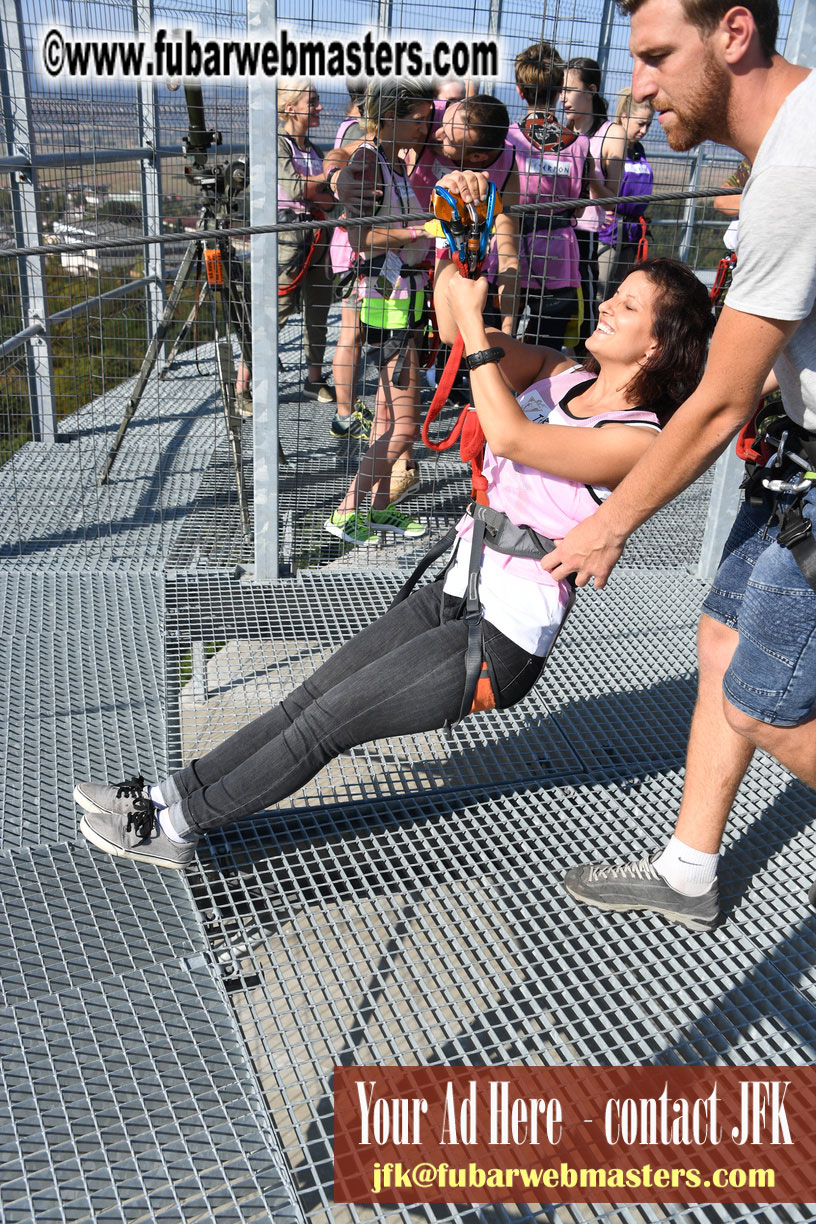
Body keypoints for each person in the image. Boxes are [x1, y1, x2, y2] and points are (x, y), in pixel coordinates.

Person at [73, 174, 714, 872]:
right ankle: (168, 796)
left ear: (656, 348)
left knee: (325, 725)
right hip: (457, 588)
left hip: (501, 636)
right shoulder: (562, 374)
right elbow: (449, 324)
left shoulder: (637, 439)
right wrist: (455, 242)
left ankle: (179, 828)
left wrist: (473, 325)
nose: (609, 307)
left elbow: (511, 437)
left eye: (628, 307)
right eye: (616, 296)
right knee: (310, 694)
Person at [542, 0, 816, 932]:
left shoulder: (800, 165)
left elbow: (721, 401)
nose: (638, 85)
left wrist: (608, 523)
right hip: (799, 452)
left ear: (734, 34)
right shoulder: (783, 150)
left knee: (768, 706)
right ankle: (691, 870)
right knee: (722, 643)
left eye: (658, 56)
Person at [324, 79, 435, 546]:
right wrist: (420, 233)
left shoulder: (391, 161)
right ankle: (348, 512)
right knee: (405, 423)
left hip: (400, 296)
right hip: (386, 301)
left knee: (390, 418)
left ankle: (381, 509)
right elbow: (362, 240)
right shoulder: (369, 160)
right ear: (389, 115)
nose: (425, 127)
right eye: (418, 118)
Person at [507, 42, 592, 349]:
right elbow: (580, 208)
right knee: (549, 345)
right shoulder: (580, 144)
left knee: (502, 336)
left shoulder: (506, 138)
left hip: (510, 247)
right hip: (559, 252)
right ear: (559, 91)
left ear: (519, 90)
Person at [277, 81, 337, 404]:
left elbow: (329, 201)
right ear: (291, 108)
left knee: (318, 311)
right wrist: (326, 181)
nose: (319, 108)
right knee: (278, 309)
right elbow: (296, 188)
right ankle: (245, 383)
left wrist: (318, 190)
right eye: (312, 102)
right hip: (289, 242)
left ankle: (314, 379)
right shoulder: (278, 145)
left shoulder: (312, 150)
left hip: (317, 240)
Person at [561, 58, 627, 352]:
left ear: (591, 90)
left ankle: (586, 372)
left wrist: (588, 173)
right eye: (559, 90)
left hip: (586, 236)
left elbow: (613, 197)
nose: (562, 97)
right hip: (555, 230)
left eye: (569, 89)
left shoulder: (611, 133)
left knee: (585, 311)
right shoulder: (558, 131)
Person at [595, 88, 654, 302]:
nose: (644, 130)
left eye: (648, 124)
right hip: (609, 233)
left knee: (620, 296)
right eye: (640, 124)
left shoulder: (639, 150)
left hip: (631, 235)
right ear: (624, 117)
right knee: (600, 295)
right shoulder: (611, 147)